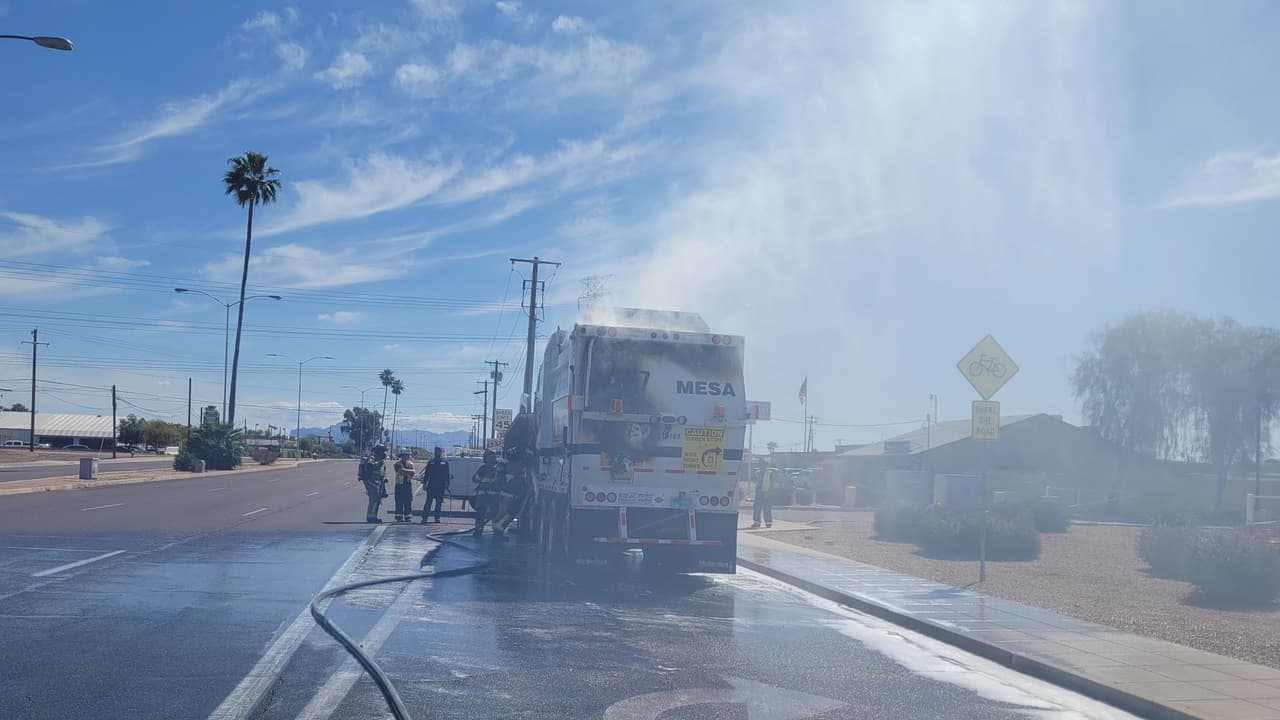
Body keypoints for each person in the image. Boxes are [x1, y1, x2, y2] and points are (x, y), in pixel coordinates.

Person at [491, 445, 534, 541]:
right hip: (510, 497)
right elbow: (527, 460)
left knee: (501, 515)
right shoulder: (516, 466)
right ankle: (498, 533)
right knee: (508, 515)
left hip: (504, 495)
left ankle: (497, 533)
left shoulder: (507, 465)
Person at [470, 449, 500, 537]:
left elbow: (475, 479)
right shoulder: (499, 469)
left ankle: (478, 531)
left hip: (483, 496)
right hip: (494, 496)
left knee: (481, 515)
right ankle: (497, 533)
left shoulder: (483, 468)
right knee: (495, 515)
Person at [421, 446, 452, 523]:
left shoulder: (445, 462)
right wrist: (424, 484)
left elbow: (447, 475)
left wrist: (448, 485)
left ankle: (437, 518)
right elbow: (426, 474)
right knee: (428, 502)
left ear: (440, 452)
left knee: (439, 503)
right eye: (435, 451)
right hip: (431, 485)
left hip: (440, 486)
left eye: (438, 451)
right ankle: (424, 518)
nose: (436, 453)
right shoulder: (431, 462)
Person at [359, 445, 388, 523]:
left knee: (377, 500)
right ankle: (371, 517)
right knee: (374, 500)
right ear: (378, 451)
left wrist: (384, 479)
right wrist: (380, 462)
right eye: (382, 451)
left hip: (379, 482)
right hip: (372, 482)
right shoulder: (372, 458)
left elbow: (382, 471)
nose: (383, 453)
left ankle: (374, 516)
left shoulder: (381, 460)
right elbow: (371, 466)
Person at [392, 449, 416, 522]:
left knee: (408, 501)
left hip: (407, 485)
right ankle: (399, 517)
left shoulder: (410, 464)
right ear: (402, 456)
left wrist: (410, 472)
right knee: (399, 501)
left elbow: (412, 473)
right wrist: (410, 471)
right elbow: (401, 471)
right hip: (399, 485)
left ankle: (408, 516)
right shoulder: (397, 464)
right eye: (407, 455)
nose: (408, 456)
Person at [751, 464, 774, 529]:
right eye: (761, 465)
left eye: (763, 465)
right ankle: (757, 523)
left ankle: (768, 523)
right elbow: (754, 479)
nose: (762, 466)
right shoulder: (758, 472)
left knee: (767, 508)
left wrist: (768, 492)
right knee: (757, 508)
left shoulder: (770, 473)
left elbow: (772, 484)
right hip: (759, 492)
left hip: (766, 493)